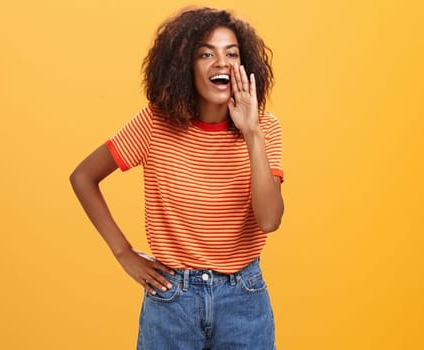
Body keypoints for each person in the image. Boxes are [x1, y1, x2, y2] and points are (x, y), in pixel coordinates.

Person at [70, 7, 284, 349]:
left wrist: (251, 135)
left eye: (231, 53)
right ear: (185, 64)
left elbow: (270, 220)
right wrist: (123, 252)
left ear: (244, 66)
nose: (221, 62)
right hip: (172, 301)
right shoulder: (154, 124)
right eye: (206, 53)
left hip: (244, 298)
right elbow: (83, 177)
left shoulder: (264, 128)